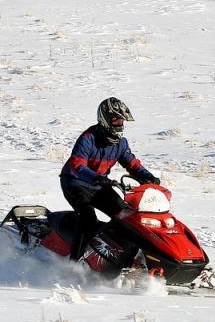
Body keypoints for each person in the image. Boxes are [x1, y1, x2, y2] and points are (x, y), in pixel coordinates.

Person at [60, 97, 160, 260]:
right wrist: (96, 177)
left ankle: (123, 256)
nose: (120, 124)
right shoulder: (88, 138)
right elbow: (77, 165)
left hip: (99, 186)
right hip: (75, 183)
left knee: (126, 216)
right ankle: (75, 262)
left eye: (121, 121)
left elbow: (132, 164)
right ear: (105, 120)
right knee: (87, 219)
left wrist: (148, 176)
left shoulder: (121, 143)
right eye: (116, 120)